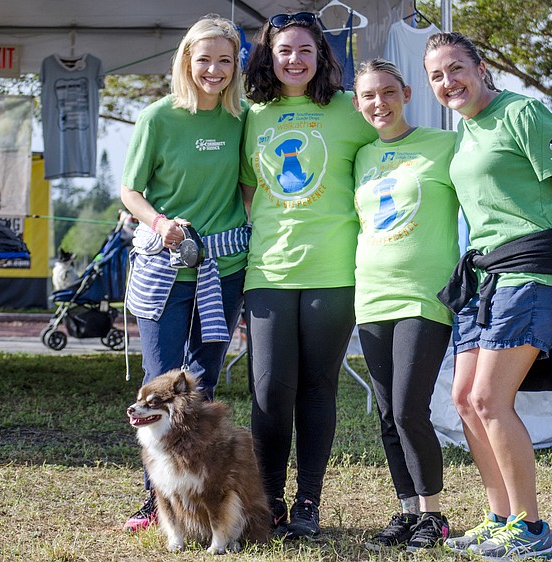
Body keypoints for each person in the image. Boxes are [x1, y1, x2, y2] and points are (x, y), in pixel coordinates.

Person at [423, 32, 552, 560]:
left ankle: (531, 530)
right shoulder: (466, 131)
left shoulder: (522, 113)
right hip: (484, 276)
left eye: (456, 68)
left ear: (480, 67)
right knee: (463, 401)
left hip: (531, 271)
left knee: (490, 400)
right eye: (436, 75)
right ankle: (501, 518)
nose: (448, 82)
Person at [239, 11, 378, 540]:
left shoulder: (350, 111)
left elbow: (391, 153)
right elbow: (250, 189)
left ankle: (308, 504)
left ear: (321, 55)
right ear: (268, 59)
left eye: (304, 50)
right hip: (268, 272)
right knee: (270, 390)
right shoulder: (253, 114)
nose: (294, 59)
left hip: (334, 271)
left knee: (317, 388)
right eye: (283, 51)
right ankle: (268, 500)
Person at [119, 15, 250, 531]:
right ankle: (156, 501)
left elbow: (249, 187)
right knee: (160, 387)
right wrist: (158, 222)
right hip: (165, 268)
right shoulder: (157, 117)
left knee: (202, 384)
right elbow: (130, 191)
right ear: (185, 61)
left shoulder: (243, 119)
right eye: (204, 60)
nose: (214, 70)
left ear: (236, 65)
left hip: (225, 268)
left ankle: (198, 495)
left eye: (224, 60)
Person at [351, 58, 459, 552]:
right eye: (369, 96)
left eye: (388, 92)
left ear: (407, 93)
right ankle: (407, 511)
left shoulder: (445, 146)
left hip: (425, 296)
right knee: (387, 413)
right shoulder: (360, 157)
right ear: (357, 104)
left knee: (410, 408)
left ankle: (433, 516)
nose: (379, 103)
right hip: (371, 296)